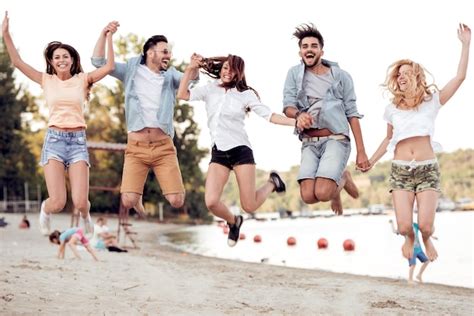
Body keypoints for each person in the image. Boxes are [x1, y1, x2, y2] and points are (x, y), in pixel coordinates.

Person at [362, 24, 470, 261]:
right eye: (398, 74)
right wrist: (370, 160)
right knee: (403, 227)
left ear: (416, 76)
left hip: (427, 169)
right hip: (400, 170)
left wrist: (465, 44)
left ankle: (427, 238)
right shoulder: (391, 109)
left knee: (427, 225)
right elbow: (388, 138)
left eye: (406, 73)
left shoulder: (433, 100)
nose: (401, 77)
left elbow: (460, 77)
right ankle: (411, 239)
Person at [2, 12, 116, 236]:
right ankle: (45, 210)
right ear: (51, 63)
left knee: (81, 202)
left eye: (65, 56)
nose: (62, 60)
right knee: (57, 202)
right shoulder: (46, 80)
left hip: (77, 142)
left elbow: (110, 66)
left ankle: (85, 216)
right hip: (54, 141)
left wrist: (108, 36)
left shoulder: (83, 79)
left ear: (72, 60)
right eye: (57, 57)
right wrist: (5, 34)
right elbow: (16, 62)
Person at [177, 54, 295, 247]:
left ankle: (273, 183)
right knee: (212, 202)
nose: (227, 72)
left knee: (249, 205)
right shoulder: (210, 89)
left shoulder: (246, 94)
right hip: (219, 153)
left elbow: (271, 116)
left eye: (232, 69)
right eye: (224, 67)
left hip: (240, 151)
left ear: (239, 73)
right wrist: (190, 68)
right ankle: (234, 221)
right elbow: (182, 94)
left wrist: (296, 122)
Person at [91, 22, 200, 215]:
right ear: (151, 53)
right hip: (136, 148)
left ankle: (146, 189)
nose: (169, 55)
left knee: (176, 201)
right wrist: (104, 34)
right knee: (128, 200)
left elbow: (190, 80)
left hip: (163, 148)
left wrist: (193, 68)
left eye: (169, 52)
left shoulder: (171, 76)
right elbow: (99, 62)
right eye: (164, 51)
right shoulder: (130, 71)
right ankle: (136, 195)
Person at [282, 23, 369, 215]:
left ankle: (342, 178)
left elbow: (352, 113)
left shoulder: (341, 77)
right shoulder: (294, 75)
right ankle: (340, 177)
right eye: (305, 46)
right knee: (308, 196)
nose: (309, 49)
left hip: (335, 139)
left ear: (321, 51)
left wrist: (361, 151)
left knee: (323, 192)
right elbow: (287, 106)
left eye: (314, 46)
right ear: (300, 53)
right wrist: (298, 114)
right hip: (309, 142)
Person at [389, 219, 437, 284]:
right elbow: (395, 231)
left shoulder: (415, 225)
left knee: (426, 261)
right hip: (410, 249)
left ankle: (419, 275)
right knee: (413, 264)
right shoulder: (404, 227)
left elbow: (424, 231)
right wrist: (392, 223)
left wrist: (432, 236)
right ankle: (410, 280)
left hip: (418, 248)